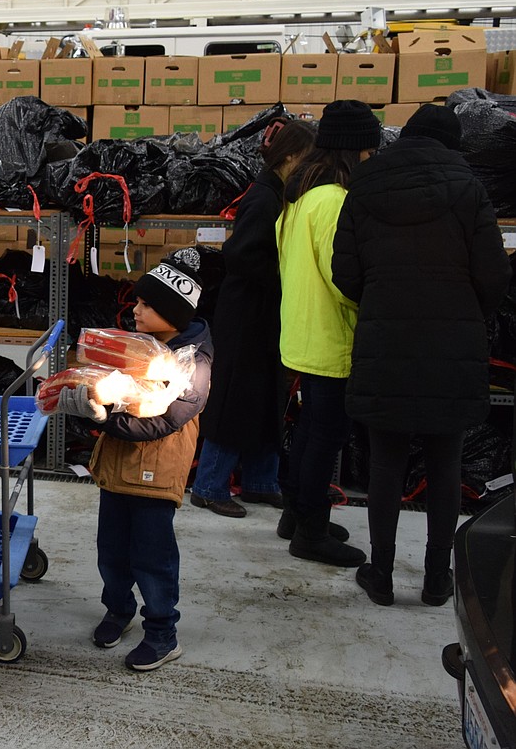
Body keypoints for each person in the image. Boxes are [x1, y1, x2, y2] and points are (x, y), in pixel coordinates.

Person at [332, 104, 510, 606]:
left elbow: (343, 271)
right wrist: (466, 311)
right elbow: (495, 273)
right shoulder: (469, 188)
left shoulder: (364, 186)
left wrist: (381, 299)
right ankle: (437, 578)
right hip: (452, 343)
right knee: (445, 460)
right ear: (451, 144)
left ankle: (382, 574)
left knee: (386, 463)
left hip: (385, 341)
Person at [54, 250, 213, 671]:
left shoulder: (193, 365)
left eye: (146, 304)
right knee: (111, 549)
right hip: (118, 468)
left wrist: (103, 417)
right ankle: (118, 609)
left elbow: (163, 424)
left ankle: (163, 633)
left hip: (156, 472)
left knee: (153, 556)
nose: (135, 309)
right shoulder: (142, 346)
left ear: (172, 313)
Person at [190, 118, 316, 519]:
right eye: (308, 160)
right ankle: (209, 487)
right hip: (246, 316)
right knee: (234, 402)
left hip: (264, 316)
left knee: (266, 399)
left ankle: (262, 482)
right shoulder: (264, 199)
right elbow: (240, 256)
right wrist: (286, 273)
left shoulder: (280, 194)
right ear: (292, 156)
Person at [276, 99, 381, 568]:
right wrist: (369, 305)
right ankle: (311, 533)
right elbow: (342, 278)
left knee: (309, 432)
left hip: (300, 333)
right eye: (369, 152)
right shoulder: (335, 202)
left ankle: (297, 516)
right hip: (330, 337)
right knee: (325, 435)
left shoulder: (299, 199)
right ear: (355, 151)